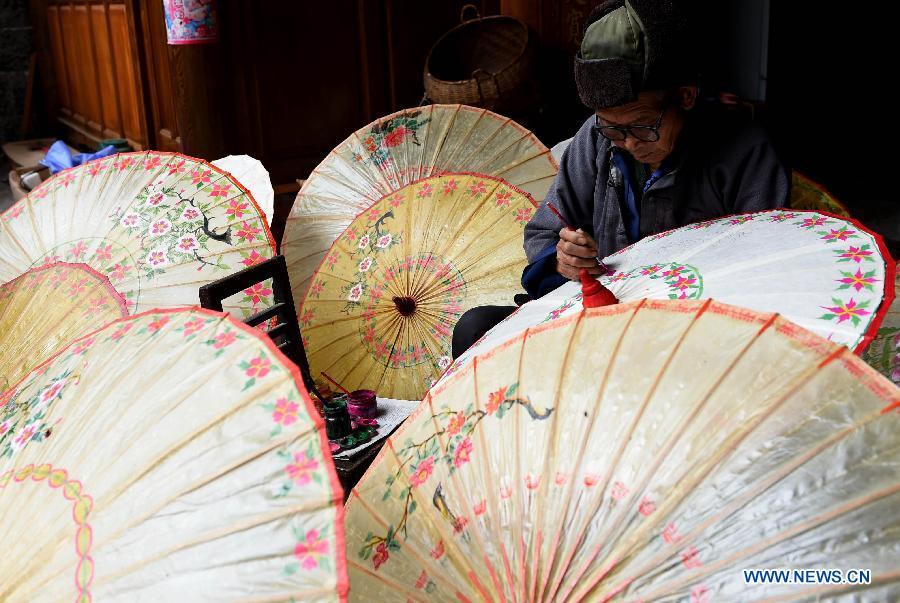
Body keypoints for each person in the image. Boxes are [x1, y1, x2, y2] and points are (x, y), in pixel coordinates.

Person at [452, 0, 790, 359]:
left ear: (686, 97)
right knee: (476, 329)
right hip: (602, 317)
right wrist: (561, 259)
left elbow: (763, 265)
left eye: (643, 126)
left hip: (692, 329)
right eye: (613, 128)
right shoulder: (596, 139)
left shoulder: (745, 151)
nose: (628, 143)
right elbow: (544, 231)